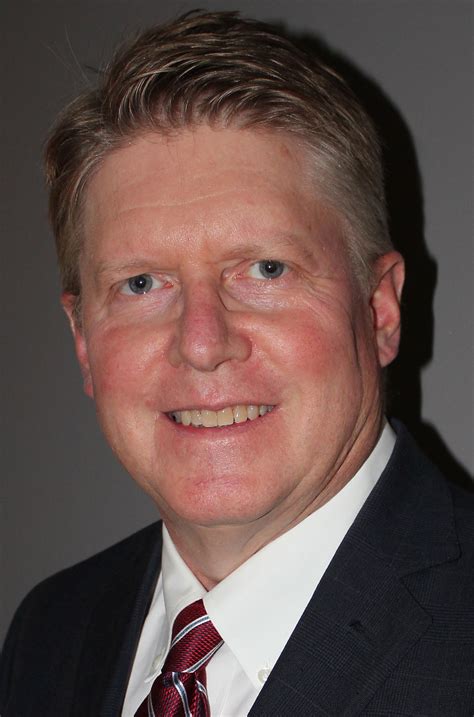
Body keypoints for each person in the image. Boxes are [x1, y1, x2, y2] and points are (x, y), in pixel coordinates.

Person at [1, 10, 472, 716]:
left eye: (266, 269)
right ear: (83, 340)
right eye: (141, 283)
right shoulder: (49, 633)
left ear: (380, 309)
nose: (201, 342)